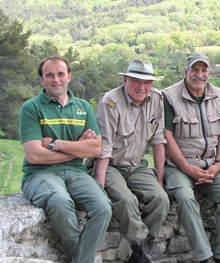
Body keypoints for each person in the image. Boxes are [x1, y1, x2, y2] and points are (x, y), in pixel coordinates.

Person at [19, 56, 112, 263]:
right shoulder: (31, 108)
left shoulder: (83, 107)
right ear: (42, 80)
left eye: (61, 74)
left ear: (69, 76)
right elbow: (34, 155)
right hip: (40, 174)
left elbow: (96, 148)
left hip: (76, 172)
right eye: (49, 75)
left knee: (103, 208)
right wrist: (79, 148)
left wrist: (55, 143)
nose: (56, 79)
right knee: (60, 202)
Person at [162, 53, 220, 263]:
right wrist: (188, 168)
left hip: (211, 165)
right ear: (185, 71)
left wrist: (218, 165)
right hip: (179, 166)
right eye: (194, 70)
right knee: (186, 200)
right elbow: (166, 137)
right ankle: (204, 257)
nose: (199, 74)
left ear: (209, 72)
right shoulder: (168, 97)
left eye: (203, 70)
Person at [93, 59, 170, 263]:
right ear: (126, 79)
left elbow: (158, 141)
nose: (142, 87)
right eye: (136, 81)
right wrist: (99, 186)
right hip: (110, 164)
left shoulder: (157, 99)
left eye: (147, 82)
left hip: (136, 165)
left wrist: (159, 178)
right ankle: (141, 250)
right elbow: (104, 147)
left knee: (161, 199)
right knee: (127, 201)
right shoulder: (110, 102)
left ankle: (141, 252)